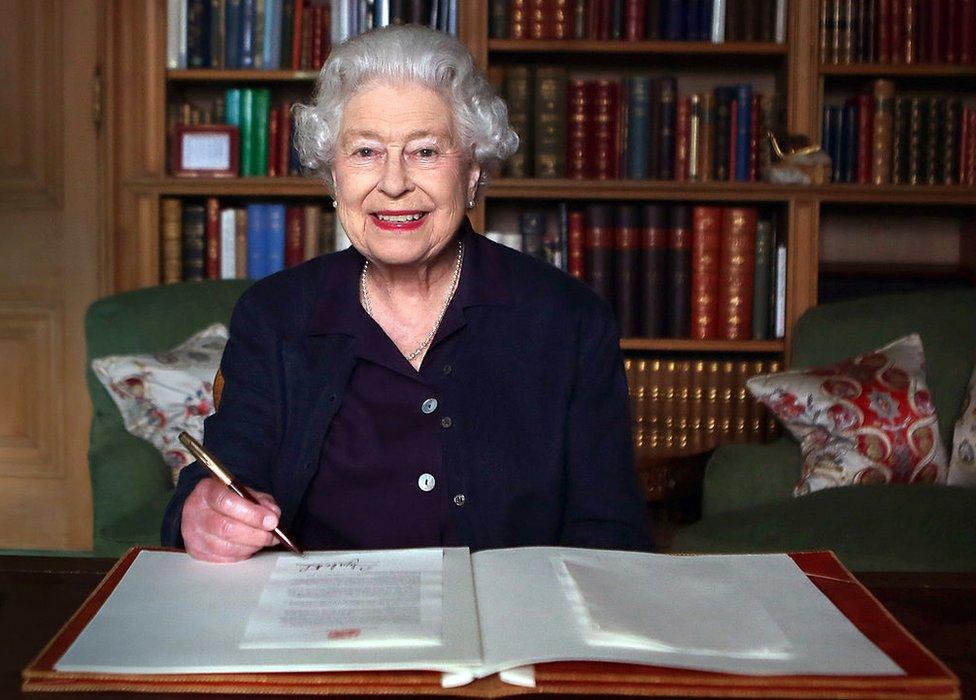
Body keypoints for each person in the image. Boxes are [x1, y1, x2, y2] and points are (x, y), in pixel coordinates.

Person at [161, 24, 650, 562]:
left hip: (511, 627)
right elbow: (228, 472)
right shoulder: (275, 315)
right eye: (366, 151)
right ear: (333, 178)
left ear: (473, 173)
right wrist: (203, 511)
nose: (393, 183)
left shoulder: (568, 319)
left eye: (424, 151)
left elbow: (609, 531)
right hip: (319, 625)